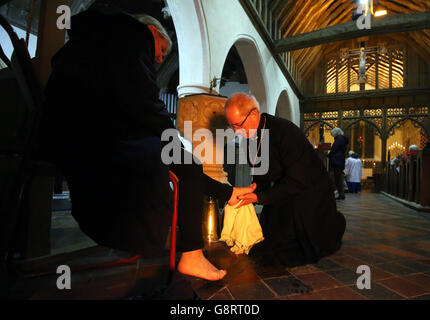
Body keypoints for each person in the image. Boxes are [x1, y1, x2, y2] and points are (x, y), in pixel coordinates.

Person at [36, 1, 256, 281]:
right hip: (94, 138)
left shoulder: (99, 38)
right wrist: (171, 139)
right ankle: (191, 254)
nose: (161, 60)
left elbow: (128, 101)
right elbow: (144, 104)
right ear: (152, 31)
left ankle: (229, 195)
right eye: (162, 51)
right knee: (186, 163)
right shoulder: (130, 39)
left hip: (70, 133)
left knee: (184, 162)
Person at [224, 93, 346, 267]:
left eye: (238, 124)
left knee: (293, 251)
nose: (236, 131)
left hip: (309, 195)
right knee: (264, 246)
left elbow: (298, 180)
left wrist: (259, 197)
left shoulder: (285, 131)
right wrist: (250, 191)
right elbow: (262, 176)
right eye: (232, 126)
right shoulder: (249, 137)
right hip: (282, 194)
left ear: (253, 115)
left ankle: (334, 223)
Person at [328, 128, 349, 200]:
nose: (333, 136)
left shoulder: (339, 139)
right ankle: (341, 194)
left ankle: (340, 194)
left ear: (336, 133)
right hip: (339, 161)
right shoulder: (341, 139)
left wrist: (329, 155)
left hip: (336, 161)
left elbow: (334, 149)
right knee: (338, 178)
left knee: (337, 178)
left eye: (332, 134)